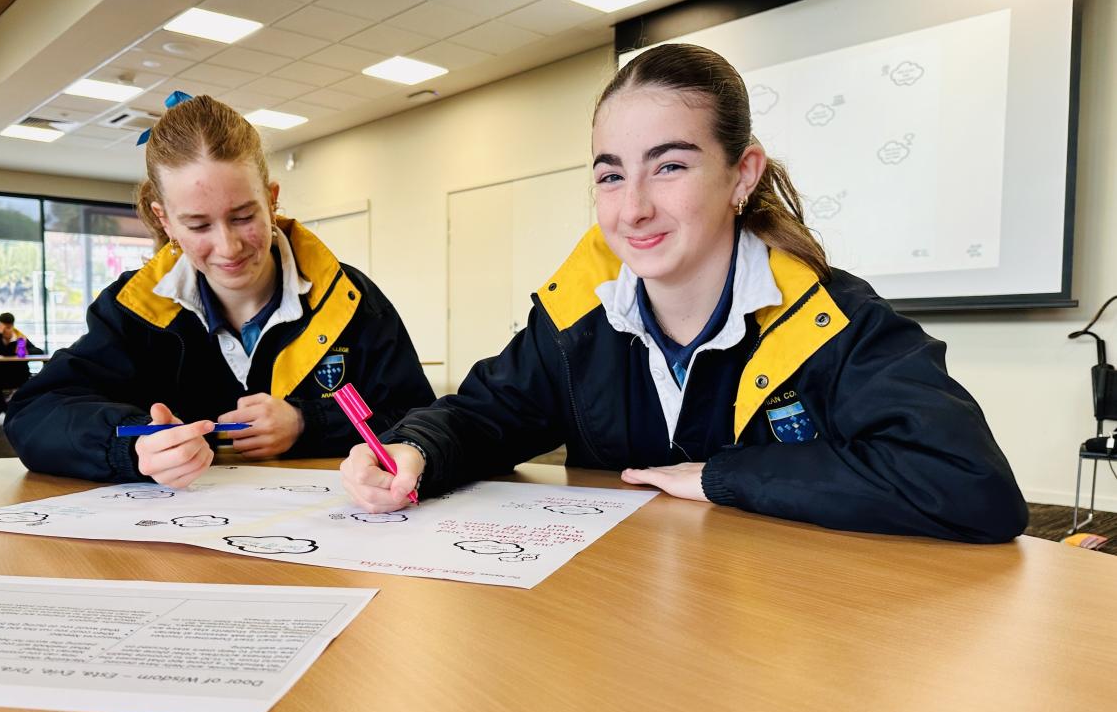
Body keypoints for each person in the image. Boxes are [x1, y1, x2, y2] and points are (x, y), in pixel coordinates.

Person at [341, 43, 1028, 544]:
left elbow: (971, 485)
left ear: (741, 174)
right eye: (610, 176)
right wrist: (416, 452)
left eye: (668, 165)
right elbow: (484, 414)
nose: (632, 208)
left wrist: (724, 476)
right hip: (627, 634)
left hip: (793, 645)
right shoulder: (575, 317)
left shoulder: (835, 324)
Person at [4, 92, 434, 486]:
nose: (228, 247)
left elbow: (418, 417)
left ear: (272, 199)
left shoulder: (349, 298)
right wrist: (132, 447)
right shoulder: (134, 307)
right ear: (165, 220)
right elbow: (35, 414)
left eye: (244, 216)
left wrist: (308, 422)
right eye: (198, 225)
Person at [0, 312, 43, 403]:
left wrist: (26, 351)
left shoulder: (19, 337)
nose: (6, 330)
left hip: (18, 374)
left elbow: (39, 351)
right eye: (3, 328)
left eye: (9, 327)